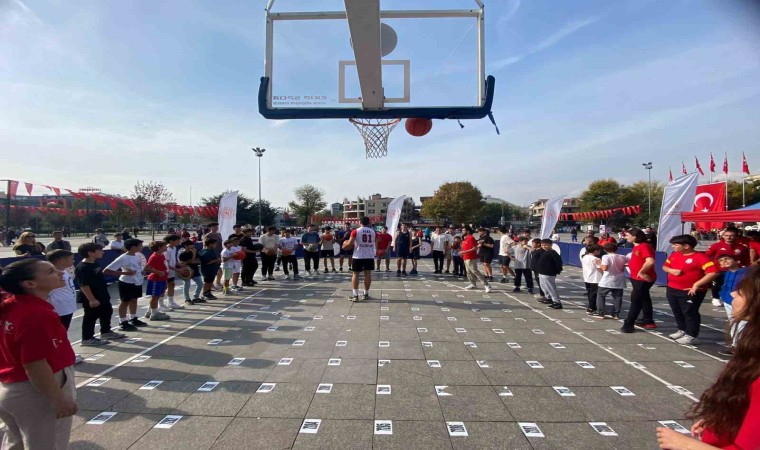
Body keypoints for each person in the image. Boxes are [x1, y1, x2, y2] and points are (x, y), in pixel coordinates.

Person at [655, 266, 760, 449]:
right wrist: (725, 419)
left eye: (742, 291)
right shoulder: (751, 354)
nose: (734, 294)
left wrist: (686, 445)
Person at [0, 259, 79, 449]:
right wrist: (57, 397)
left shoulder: (11, 305)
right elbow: (34, 363)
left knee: (15, 441)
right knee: (47, 444)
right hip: (35, 390)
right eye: (51, 271)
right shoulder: (36, 314)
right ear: (29, 284)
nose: (60, 273)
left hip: (10, 385)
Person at [659, 234, 719, 343]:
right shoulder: (674, 255)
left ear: (686, 246)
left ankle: (691, 335)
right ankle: (682, 329)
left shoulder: (700, 257)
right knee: (677, 311)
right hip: (672, 288)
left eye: (675, 245)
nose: (673, 247)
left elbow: (713, 272)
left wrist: (696, 284)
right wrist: (671, 271)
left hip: (690, 291)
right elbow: (664, 266)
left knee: (690, 312)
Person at [75, 243, 126, 345]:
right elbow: (84, 285)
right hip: (92, 296)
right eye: (100, 250)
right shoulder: (83, 267)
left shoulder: (95, 264)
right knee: (91, 317)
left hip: (102, 294)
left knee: (107, 312)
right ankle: (87, 338)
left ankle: (106, 332)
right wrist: (91, 299)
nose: (103, 252)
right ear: (90, 253)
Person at [104, 238, 150, 332]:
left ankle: (133, 318)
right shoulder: (123, 257)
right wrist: (125, 274)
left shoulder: (137, 256)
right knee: (125, 302)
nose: (141, 247)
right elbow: (107, 271)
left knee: (134, 299)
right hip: (126, 282)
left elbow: (137, 268)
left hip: (137, 281)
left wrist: (142, 272)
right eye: (140, 245)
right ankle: (122, 322)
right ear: (133, 247)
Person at [46, 250, 83, 364]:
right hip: (59, 308)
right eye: (71, 259)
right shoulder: (52, 275)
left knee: (63, 332)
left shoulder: (64, 271)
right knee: (58, 334)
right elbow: (46, 292)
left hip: (67, 307)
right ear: (62, 261)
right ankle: (60, 355)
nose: (73, 261)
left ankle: (64, 353)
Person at [622, 228, 658, 330]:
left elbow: (650, 261)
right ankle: (648, 320)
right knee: (644, 299)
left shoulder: (644, 246)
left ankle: (629, 324)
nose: (626, 237)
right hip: (635, 277)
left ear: (635, 236)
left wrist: (642, 272)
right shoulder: (637, 247)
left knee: (635, 300)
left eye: (628, 235)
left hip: (641, 279)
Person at [706, 226, 750, 307]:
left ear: (736, 236)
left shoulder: (742, 248)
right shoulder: (716, 246)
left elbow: (746, 259)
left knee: (733, 284)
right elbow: (707, 256)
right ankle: (716, 297)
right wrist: (712, 266)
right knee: (717, 283)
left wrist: (745, 268)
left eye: (731, 236)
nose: (729, 237)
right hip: (719, 269)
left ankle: (731, 296)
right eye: (726, 235)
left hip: (735, 270)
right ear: (723, 236)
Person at [716, 253, 748, 356]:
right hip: (728, 301)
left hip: (741, 301)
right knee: (733, 322)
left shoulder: (746, 272)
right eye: (721, 260)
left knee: (742, 323)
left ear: (737, 261)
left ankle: (742, 346)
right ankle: (735, 345)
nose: (724, 262)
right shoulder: (727, 273)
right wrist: (723, 295)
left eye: (727, 259)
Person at [344, 217, 376, 302]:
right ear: (368, 222)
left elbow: (350, 244)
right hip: (369, 255)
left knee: (355, 274)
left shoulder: (356, 231)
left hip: (358, 255)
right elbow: (377, 240)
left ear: (360, 222)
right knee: (368, 274)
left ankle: (355, 295)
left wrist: (344, 245)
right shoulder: (373, 231)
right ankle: (365, 294)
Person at [594, 242, 627, 319]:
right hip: (619, 279)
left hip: (608, 279)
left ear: (605, 250)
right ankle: (616, 314)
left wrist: (599, 264)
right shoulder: (623, 257)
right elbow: (626, 265)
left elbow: (605, 268)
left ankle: (600, 312)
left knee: (601, 295)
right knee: (618, 297)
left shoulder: (606, 257)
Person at [142, 241, 171, 321]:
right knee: (155, 297)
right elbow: (147, 268)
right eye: (165, 246)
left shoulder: (161, 255)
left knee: (157, 296)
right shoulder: (154, 257)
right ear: (159, 248)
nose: (166, 247)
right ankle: (154, 314)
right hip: (156, 279)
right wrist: (158, 272)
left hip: (162, 279)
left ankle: (150, 311)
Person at [459, 226, 491, 293]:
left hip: (471, 258)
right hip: (465, 257)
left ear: (468, 231)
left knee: (475, 271)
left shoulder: (471, 238)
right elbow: (464, 247)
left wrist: (464, 252)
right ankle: (473, 284)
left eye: (464, 230)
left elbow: (475, 248)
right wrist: (461, 252)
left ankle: (486, 284)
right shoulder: (464, 238)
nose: (462, 231)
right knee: (468, 272)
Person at [535, 239, 563, 309]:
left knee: (551, 287)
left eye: (545, 245)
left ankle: (557, 302)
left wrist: (556, 271)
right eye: (542, 245)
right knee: (544, 286)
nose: (544, 246)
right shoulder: (545, 252)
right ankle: (548, 298)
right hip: (542, 272)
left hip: (548, 273)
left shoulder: (553, 253)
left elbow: (558, 263)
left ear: (550, 245)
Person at [178, 240, 204, 305]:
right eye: (191, 245)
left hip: (195, 269)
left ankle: (196, 297)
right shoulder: (182, 254)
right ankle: (187, 299)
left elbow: (198, 261)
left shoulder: (195, 251)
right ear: (186, 246)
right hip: (187, 271)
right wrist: (193, 255)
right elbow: (189, 262)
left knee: (200, 283)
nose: (193, 246)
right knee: (187, 285)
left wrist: (190, 261)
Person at [162, 234, 184, 310]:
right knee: (163, 288)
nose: (179, 242)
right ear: (171, 241)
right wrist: (177, 269)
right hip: (165, 271)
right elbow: (166, 264)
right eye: (178, 240)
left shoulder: (174, 248)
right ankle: (160, 305)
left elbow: (173, 260)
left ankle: (171, 303)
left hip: (171, 271)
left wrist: (180, 265)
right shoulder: (166, 250)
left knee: (171, 285)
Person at [581, 244, 603, 314]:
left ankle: (591, 306)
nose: (600, 252)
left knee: (590, 293)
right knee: (594, 294)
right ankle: (591, 307)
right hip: (595, 278)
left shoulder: (585, 257)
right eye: (599, 250)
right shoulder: (596, 259)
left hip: (587, 277)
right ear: (595, 251)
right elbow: (600, 268)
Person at [202, 223, 224, 288]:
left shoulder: (219, 234)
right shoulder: (208, 235)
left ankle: (218, 282)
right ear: (210, 227)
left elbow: (220, 244)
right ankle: (210, 284)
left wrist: (221, 253)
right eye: (214, 226)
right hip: (211, 254)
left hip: (218, 253)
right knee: (212, 270)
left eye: (216, 226)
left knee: (219, 269)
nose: (216, 228)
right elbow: (205, 245)